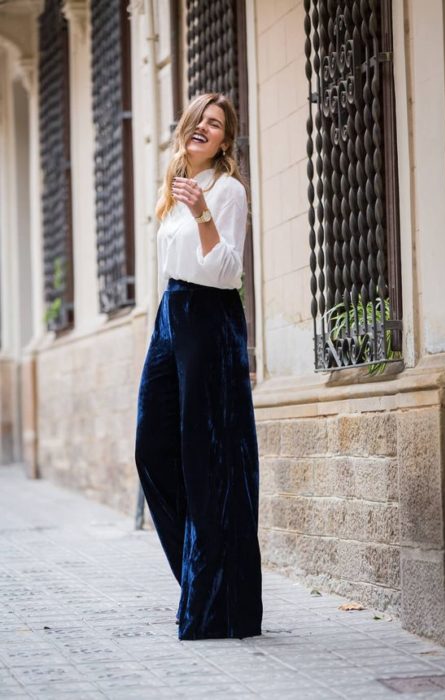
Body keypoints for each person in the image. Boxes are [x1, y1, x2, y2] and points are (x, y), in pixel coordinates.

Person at [134, 92, 263, 641]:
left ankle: (217, 602)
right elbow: (171, 269)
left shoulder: (226, 191)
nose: (205, 128)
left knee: (209, 461)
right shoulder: (171, 192)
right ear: (185, 129)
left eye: (216, 124)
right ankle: (198, 577)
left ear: (225, 141)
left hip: (209, 318)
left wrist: (203, 213)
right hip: (172, 316)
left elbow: (227, 271)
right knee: (154, 449)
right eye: (200, 120)